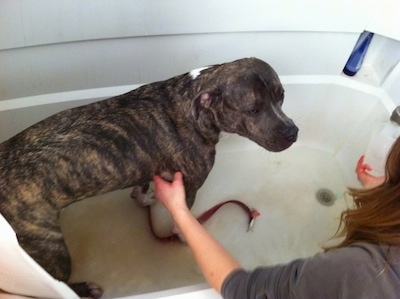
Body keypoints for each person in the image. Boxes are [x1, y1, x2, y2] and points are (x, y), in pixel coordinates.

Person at [153, 138, 400, 298]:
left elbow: (241, 290)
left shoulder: (363, 272)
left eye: (391, 176)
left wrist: (179, 210)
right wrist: (379, 192)